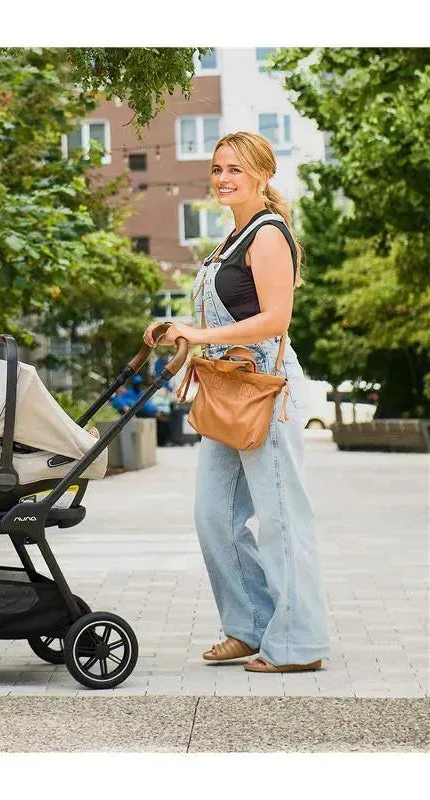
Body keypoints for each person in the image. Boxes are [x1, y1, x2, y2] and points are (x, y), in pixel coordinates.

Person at [144, 131, 330, 673]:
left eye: (235, 169)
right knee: (213, 515)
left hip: (265, 389)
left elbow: (275, 319)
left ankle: (297, 644)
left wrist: (199, 336)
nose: (223, 178)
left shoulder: (267, 235)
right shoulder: (230, 238)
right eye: (218, 168)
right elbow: (228, 317)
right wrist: (184, 341)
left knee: (281, 518)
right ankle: (249, 625)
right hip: (227, 387)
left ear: (263, 174)